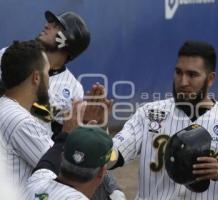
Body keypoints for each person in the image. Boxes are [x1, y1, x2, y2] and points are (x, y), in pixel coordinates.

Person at [111, 40, 218, 199]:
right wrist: (97, 132)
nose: (183, 82)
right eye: (178, 72)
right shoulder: (149, 114)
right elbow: (113, 157)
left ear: (210, 79)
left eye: (192, 75)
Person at [0, 10, 125, 199]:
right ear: (35, 78)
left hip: (37, 160)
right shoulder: (13, 57)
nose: (47, 25)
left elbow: (73, 140)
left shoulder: (72, 88)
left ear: (69, 41)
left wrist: (94, 125)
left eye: (57, 25)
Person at [0, 40, 54, 186]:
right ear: (36, 77)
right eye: (47, 72)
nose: (49, 79)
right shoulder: (21, 122)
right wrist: (68, 133)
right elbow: (63, 172)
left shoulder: (5, 107)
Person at [24, 126, 114, 200]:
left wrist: (66, 133)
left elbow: (48, 161)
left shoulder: (36, 182)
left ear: (62, 157)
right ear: (102, 171)